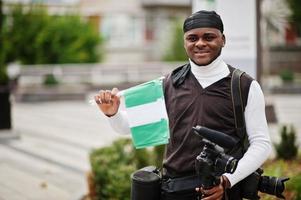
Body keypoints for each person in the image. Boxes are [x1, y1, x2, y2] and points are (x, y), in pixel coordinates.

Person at [94, 10, 271, 200]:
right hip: (174, 192)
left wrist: (227, 180)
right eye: (192, 38)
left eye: (209, 37)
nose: (200, 43)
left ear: (223, 39)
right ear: (185, 42)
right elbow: (126, 126)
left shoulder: (244, 85)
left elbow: (261, 144)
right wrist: (113, 113)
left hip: (223, 192)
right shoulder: (169, 83)